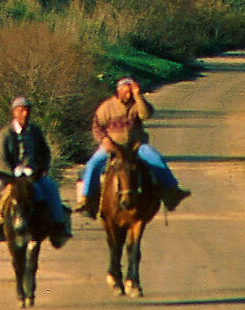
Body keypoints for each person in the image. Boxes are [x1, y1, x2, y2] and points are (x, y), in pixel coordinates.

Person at [78, 77, 189, 214]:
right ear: (119, 91)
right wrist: (104, 140)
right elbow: (96, 126)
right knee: (93, 164)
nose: (129, 95)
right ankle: (86, 199)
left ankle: (171, 191)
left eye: (131, 92)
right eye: (127, 92)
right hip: (112, 147)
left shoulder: (137, 104)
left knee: (156, 159)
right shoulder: (106, 107)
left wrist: (138, 95)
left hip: (136, 146)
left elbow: (146, 115)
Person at [0, 94, 71, 243]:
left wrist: (43, 168)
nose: (25, 114)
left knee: (50, 187)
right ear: (14, 112)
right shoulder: (5, 133)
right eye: (21, 110)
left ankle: (58, 225)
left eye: (27, 110)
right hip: (12, 176)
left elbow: (45, 152)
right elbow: (1, 157)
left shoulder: (35, 131)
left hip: (32, 174)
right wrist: (10, 174)